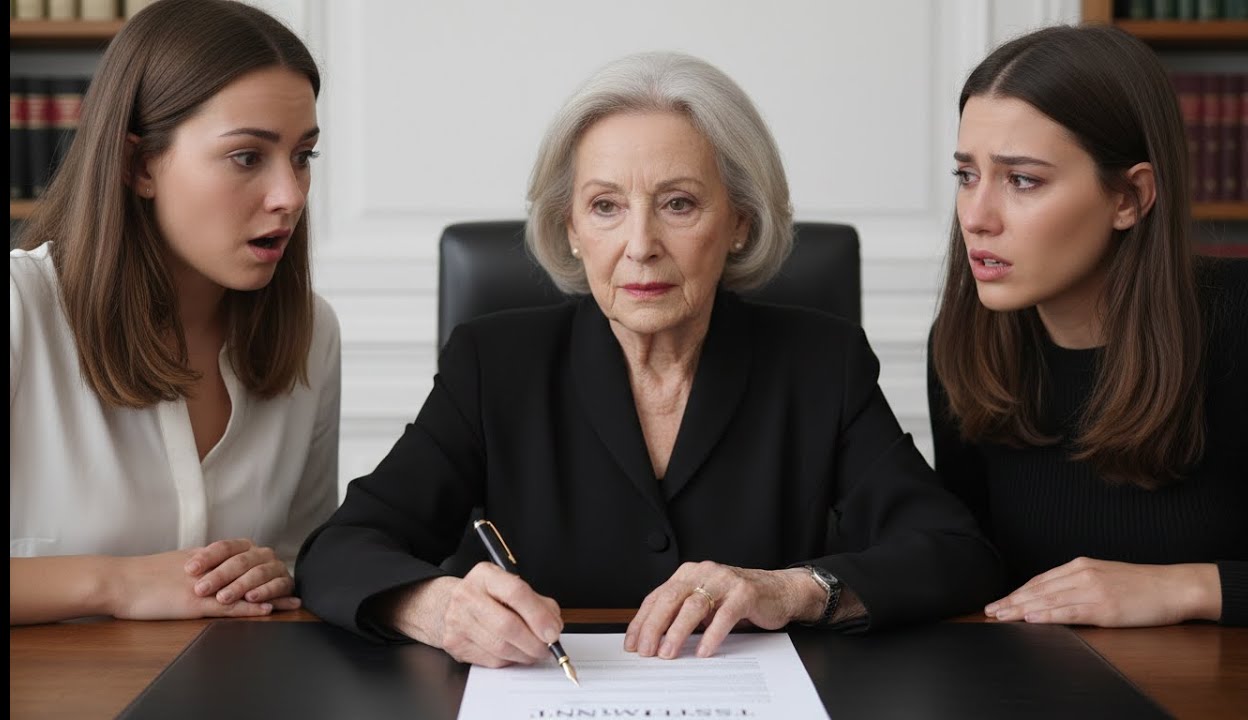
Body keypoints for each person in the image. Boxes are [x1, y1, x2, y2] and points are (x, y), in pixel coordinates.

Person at [297, 51, 1001, 665]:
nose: (640, 244)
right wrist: (436, 607)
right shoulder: (494, 363)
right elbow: (341, 548)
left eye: (679, 203)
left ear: (739, 223)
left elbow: (953, 549)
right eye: (605, 206)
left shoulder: (820, 362)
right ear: (569, 228)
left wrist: (791, 589)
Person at [10, 0, 340, 625]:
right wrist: (116, 584)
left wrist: (278, 573)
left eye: (304, 156)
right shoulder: (20, 309)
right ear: (140, 166)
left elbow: (302, 557)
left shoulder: (311, 333)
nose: (290, 196)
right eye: (248, 157)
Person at [929, 25, 1248, 629]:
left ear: (1130, 198)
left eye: (1023, 179)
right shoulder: (963, 347)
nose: (976, 218)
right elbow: (969, 563)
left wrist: (1188, 587)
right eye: (966, 175)